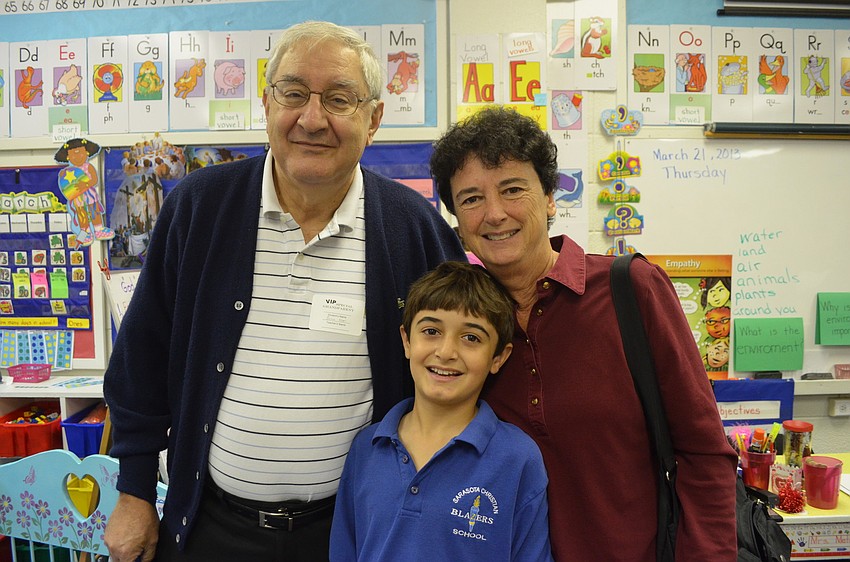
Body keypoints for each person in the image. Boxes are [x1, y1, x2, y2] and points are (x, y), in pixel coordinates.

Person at [103, 21, 466, 562]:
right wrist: (133, 489)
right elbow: (143, 356)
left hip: (356, 529)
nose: (312, 119)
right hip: (212, 525)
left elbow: (465, 361)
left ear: (374, 120)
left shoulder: (411, 227)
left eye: (339, 99)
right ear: (266, 103)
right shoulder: (199, 208)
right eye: (293, 93)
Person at [429, 106, 738, 561]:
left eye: (513, 189)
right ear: (456, 218)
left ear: (550, 197)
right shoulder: (462, 326)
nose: (494, 214)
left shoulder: (630, 290)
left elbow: (703, 451)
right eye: (471, 198)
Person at [329, 261, 552, 561]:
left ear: (498, 356)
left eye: (471, 338)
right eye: (431, 331)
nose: (446, 352)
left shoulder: (518, 458)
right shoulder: (366, 448)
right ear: (407, 340)